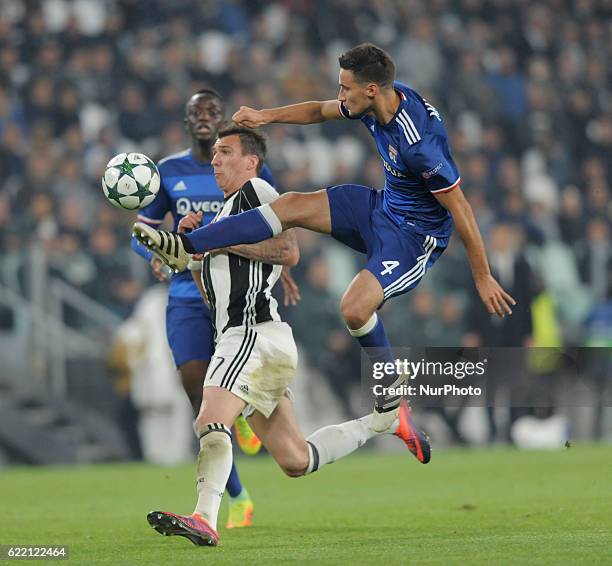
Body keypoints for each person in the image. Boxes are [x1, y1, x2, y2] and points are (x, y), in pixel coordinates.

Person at [133, 43, 515, 437]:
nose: (340, 96)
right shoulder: (376, 97)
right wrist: (265, 116)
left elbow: (462, 209)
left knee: (353, 308)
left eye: (345, 88)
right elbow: (319, 110)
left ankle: (390, 389)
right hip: (380, 208)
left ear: (370, 90)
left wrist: (482, 276)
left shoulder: (421, 146)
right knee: (291, 204)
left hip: (414, 238)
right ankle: (191, 243)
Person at [144, 125, 428, 547]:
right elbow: (214, 298)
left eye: (225, 152)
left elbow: (288, 250)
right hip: (252, 340)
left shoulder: (256, 193)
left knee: (209, 418)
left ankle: (205, 517)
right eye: (215, 153)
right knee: (296, 460)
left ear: (251, 161)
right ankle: (383, 420)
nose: (216, 160)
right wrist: (194, 257)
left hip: (252, 334)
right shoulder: (222, 218)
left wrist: (215, 244)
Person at [131, 88, 299, 528]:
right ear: (186, 122)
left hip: (234, 293)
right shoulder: (168, 171)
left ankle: (238, 421)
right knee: (195, 386)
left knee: (218, 393)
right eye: (196, 112)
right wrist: (153, 253)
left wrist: (288, 272)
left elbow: (276, 225)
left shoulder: (249, 168)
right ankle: (239, 495)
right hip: (188, 293)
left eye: (212, 111)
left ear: (224, 120)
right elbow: (142, 230)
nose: (204, 117)